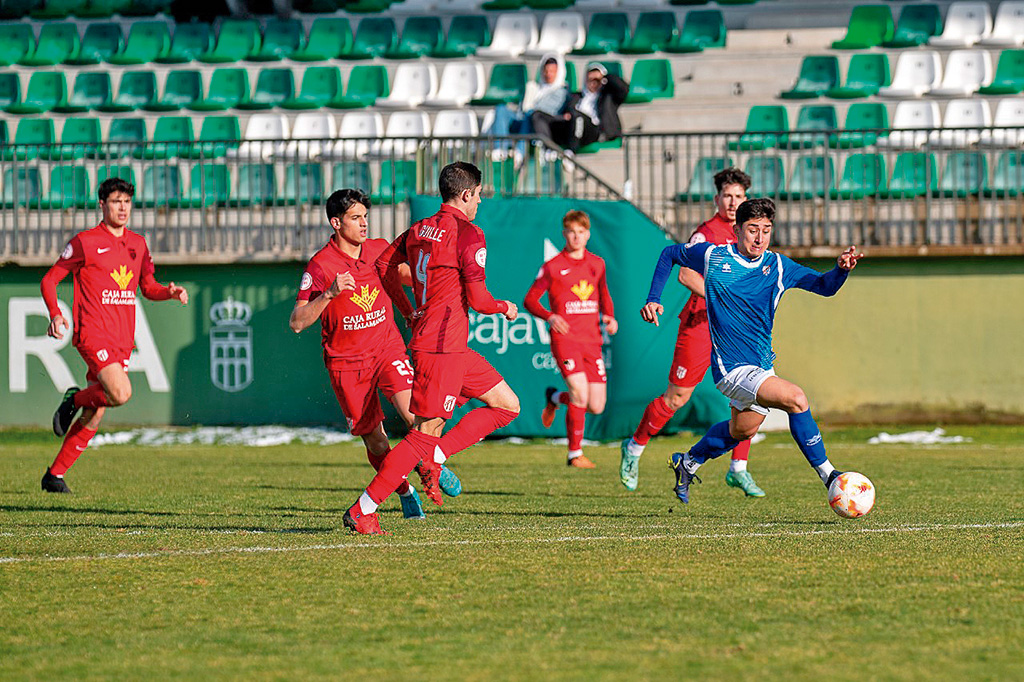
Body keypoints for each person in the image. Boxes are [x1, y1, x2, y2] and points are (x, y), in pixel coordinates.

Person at [641, 198, 863, 505]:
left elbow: (824, 286)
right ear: (737, 230)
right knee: (796, 399)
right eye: (752, 229)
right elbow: (670, 254)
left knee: (742, 431)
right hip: (731, 369)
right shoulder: (714, 257)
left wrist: (840, 270)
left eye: (766, 230)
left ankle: (688, 463)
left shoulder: (779, 266)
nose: (759, 238)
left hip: (761, 366)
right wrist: (653, 298)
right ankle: (830, 476)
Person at [342, 162, 521, 535]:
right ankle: (363, 509)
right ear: (467, 194)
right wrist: (504, 307)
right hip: (442, 347)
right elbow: (479, 299)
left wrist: (408, 310)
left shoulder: (420, 228)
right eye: (479, 194)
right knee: (424, 431)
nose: (480, 201)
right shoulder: (468, 233)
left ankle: (435, 457)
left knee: (507, 405)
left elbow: (383, 265)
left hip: (445, 344)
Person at [288, 189, 461, 522]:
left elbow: (408, 276)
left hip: (387, 349)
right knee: (377, 443)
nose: (364, 224)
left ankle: (432, 465)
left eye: (365, 216)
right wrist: (329, 294)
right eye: (355, 218)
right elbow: (296, 322)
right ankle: (404, 490)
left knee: (417, 415)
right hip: (347, 364)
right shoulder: (321, 265)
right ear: (336, 223)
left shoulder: (379, 248)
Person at [620, 168, 764, 497]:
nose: (732, 202)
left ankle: (738, 468)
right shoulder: (706, 232)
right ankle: (634, 447)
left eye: (738, 196)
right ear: (716, 199)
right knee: (676, 398)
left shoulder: (751, 234)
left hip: (735, 330)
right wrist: (721, 299)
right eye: (727, 196)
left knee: (750, 394)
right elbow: (685, 274)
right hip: (701, 324)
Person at [39, 178, 189, 493]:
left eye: (127, 202)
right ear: (102, 205)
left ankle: (54, 475)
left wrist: (169, 292)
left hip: (122, 340)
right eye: (116, 201)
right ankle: (73, 400)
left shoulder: (138, 244)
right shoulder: (85, 242)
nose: (122, 207)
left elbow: (148, 287)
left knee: (96, 413)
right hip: (92, 334)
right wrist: (55, 314)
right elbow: (49, 280)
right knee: (120, 393)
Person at [525, 210, 617, 468]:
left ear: (588, 235)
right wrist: (550, 316)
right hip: (565, 340)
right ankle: (574, 454)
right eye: (571, 232)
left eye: (581, 232)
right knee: (579, 393)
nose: (576, 237)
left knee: (596, 405)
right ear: (564, 234)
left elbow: (604, 294)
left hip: (592, 341)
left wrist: (610, 316)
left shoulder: (597, 264)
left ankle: (555, 398)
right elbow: (530, 300)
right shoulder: (552, 266)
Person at [557, 63, 629, 152]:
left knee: (578, 117)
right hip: (577, 130)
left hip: (597, 131)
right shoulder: (576, 97)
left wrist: (605, 77)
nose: (593, 83)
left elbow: (624, 89)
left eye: (597, 80)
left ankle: (571, 152)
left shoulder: (608, 97)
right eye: (590, 79)